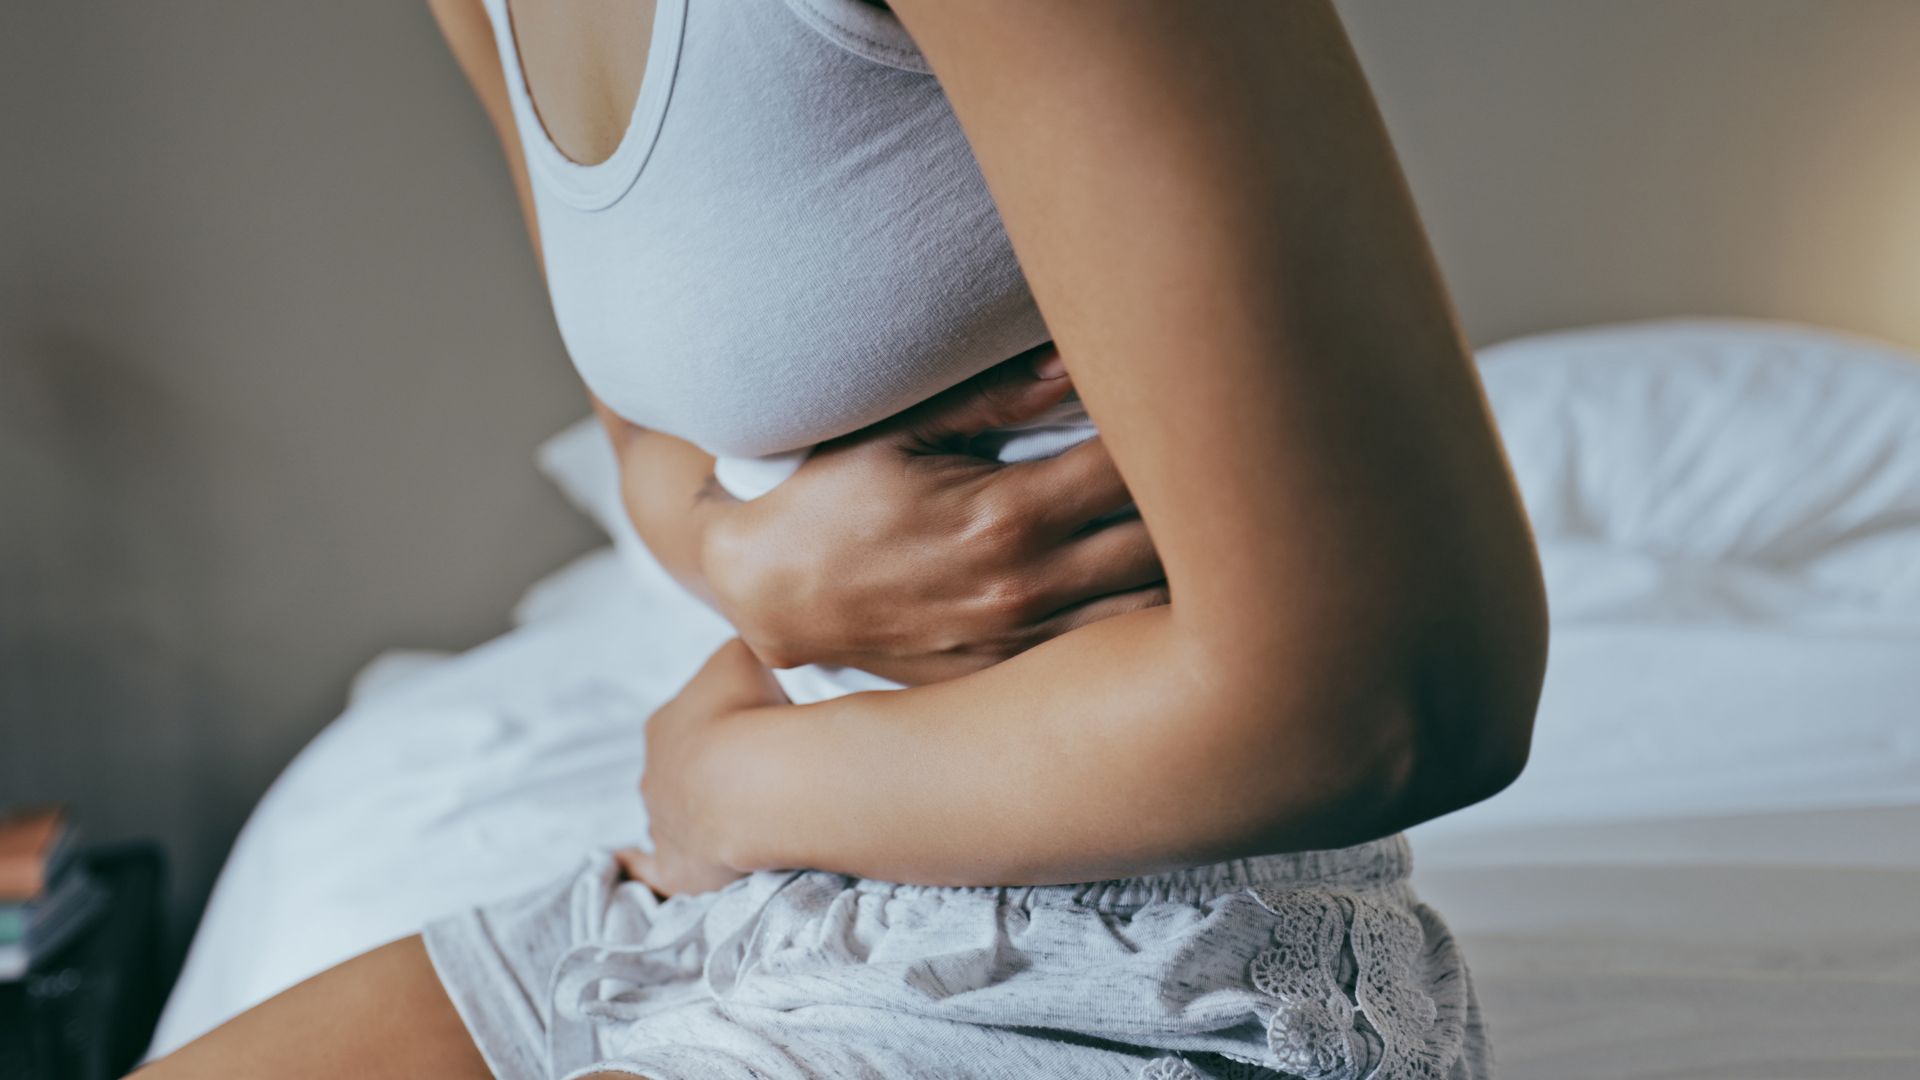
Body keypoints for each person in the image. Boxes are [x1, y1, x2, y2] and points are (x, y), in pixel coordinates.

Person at [139, 0, 1548, 1076]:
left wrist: (739, 783)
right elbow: (651, 440)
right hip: (767, 901)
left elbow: (1406, 696)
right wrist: (746, 563)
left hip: (1154, 945)